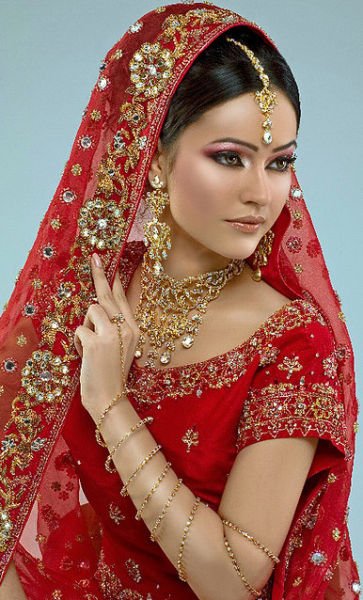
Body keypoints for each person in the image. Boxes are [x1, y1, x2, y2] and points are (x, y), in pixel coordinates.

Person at [0, 2, 360, 598]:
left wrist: (112, 406)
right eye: (229, 157)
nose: (260, 193)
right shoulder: (92, 290)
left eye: (280, 163)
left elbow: (237, 581)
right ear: (159, 157)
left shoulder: (296, 344)